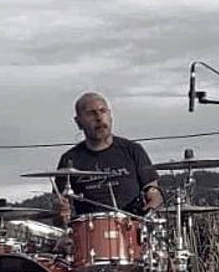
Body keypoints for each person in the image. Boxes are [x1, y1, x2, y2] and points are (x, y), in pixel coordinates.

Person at [53, 91, 164, 226]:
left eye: (102, 111)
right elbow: (60, 217)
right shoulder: (69, 160)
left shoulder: (133, 150)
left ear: (110, 116)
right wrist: (60, 213)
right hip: (89, 234)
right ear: (78, 122)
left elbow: (153, 191)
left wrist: (151, 206)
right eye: (91, 113)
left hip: (132, 229)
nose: (99, 117)